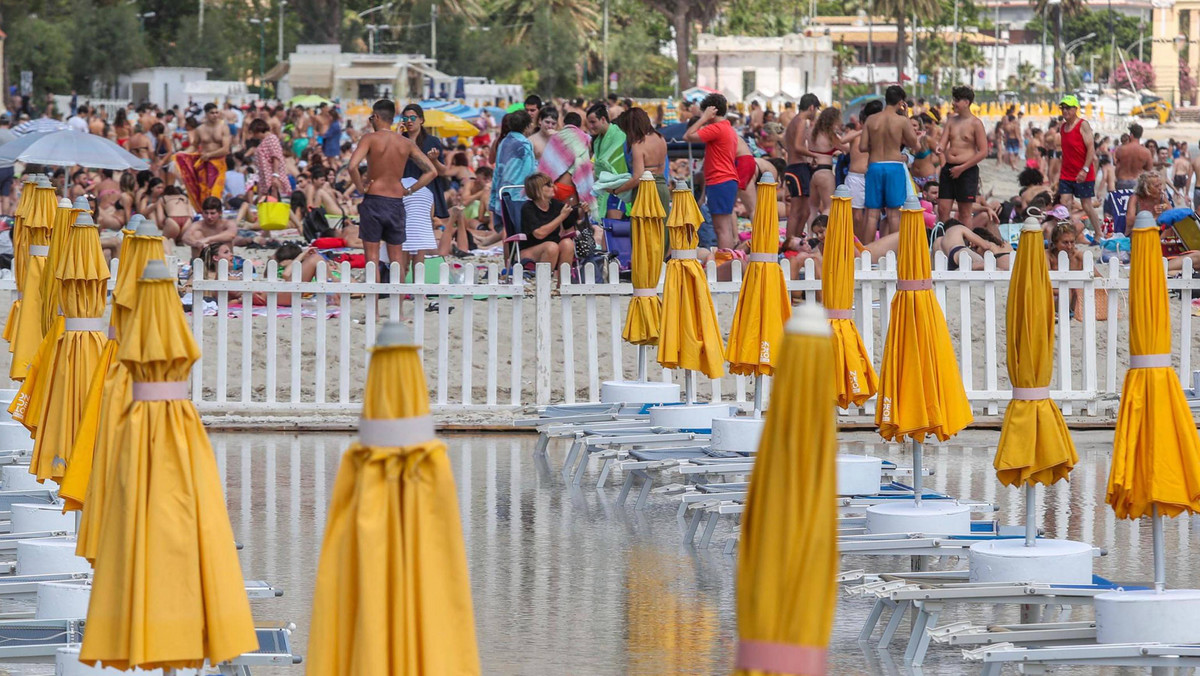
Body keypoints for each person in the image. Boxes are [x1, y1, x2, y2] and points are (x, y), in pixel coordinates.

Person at [347, 98, 435, 280]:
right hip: (396, 200)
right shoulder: (405, 143)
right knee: (397, 260)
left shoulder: (370, 139)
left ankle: (375, 309)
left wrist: (361, 188)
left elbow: (352, 166)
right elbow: (431, 171)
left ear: (377, 117)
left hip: (374, 199)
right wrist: (409, 190)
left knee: (372, 258)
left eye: (372, 118)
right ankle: (400, 308)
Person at [860, 85, 920, 240]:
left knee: (872, 214)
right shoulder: (901, 121)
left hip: (874, 166)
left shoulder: (871, 120)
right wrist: (906, 117)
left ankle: (867, 253)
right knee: (894, 214)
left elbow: (862, 147)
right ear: (901, 102)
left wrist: (877, 145)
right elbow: (915, 144)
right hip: (894, 166)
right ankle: (894, 252)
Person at [683, 93, 738, 250]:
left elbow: (688, 135)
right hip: (726, 180)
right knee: (724, 226)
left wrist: (704, 118)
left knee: (721, 229)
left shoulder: (717, 128)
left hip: (720, 180)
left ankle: (724, 259)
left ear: (711, 111)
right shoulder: (728, 128)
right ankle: (726, 259)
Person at [935, 85, 988, 227]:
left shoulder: (976, 123)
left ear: (966, 102)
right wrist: (939, 148)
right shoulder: (951, 121)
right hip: (949, 168)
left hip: (967, 170)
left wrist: (962, 168)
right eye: (953, 99)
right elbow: (943, 142)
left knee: (964, 212)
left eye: (957, 100)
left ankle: (965, 244)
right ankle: (944, 241)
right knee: (943, 209)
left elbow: (983, 151)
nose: (953, 103)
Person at [1056, 95, 1100, 236]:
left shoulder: (1083, 125)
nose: (1065, 111)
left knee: (1086, 205)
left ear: (1075, 109)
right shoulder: (1063, 128)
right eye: (1063, 108)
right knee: (1064, 203)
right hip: (1067, 173)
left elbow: (1091, 149)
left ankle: (1099, 233)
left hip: (1083, 172)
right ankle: (1067, 234)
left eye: (1068, 108)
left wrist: (1085, 169)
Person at [175, 102, 231, 212]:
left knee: (215, 192)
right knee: (203, 191)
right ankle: (205, 215)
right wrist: (183, 153)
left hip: (218, 164)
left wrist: (209, 155)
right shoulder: (200, 129)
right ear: (206, 114)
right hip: (204, 165)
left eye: (216, 112)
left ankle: (216, 213)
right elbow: (194, 146)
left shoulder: (223, 127)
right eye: (212, 113)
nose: (215, 115)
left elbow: (225, 149)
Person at [537, 111, 595, 212]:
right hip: (570, 187)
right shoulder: (585, 138)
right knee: (571, 224)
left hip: (552, 188)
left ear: (564, 123)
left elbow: (547, 163)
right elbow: (587, 163)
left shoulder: (556, 137)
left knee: (557, 222)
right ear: (580, 125)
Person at [519, 172, 577, 273]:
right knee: (551, 247)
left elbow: (569, 224)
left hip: (553, 247)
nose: (553, 187)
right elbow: (539, 234)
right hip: (530, 250)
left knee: (567, 244)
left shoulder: (555, 204)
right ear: (537, 190)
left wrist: (580, 211)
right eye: (548, 185)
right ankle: (544, 283)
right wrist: (562, 216)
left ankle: (562, 283)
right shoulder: (528, 208)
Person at [613, 108, 670, 209]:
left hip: (645, 191)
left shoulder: (638, 144)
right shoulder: (660, 138)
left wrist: (616, 191)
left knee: (643, 224)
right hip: (662, 187)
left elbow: (638, 177)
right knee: (661, 224)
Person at [490, 110, 538, 230]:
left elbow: (497, 170)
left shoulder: (504, 142)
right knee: (518, 232)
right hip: (519, 195)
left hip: (503, 191)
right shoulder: (525, 144)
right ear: (527, 126)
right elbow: (530, 171)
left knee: (507, 231)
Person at [783, 93, 820, 239]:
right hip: (797, 168)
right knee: (797, 210)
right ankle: (790, 241)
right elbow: (798, 146)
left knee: (804, 211)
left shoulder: (794, 121)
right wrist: (813, 155)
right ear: (811, 107)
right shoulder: (800, 121)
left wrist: (807, 157)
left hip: (797, 167)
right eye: (816, 109)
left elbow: (790, 146)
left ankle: (795, 239)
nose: (815, 113)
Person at [847, 100, 882, 242]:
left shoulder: (876, 136)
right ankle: (856, 242)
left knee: (870, 214)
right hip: (855, 177)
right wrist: (862, 130)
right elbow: (843, 140)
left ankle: (864, 244)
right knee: (856, 215)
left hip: (869, 176)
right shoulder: (855, 135)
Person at [806, 106, 846, 228]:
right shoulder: (830, 135)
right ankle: (825, 237)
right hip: (825, 171)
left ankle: (810, 237)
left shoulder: (811, 131)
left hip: (811, 171)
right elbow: (846, 148)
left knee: (812, 208)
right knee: (829, 207)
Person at [586, 103, 628, 221]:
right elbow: (599, 165)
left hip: (619, 187)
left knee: (612, 227)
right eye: (589, 123)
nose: (590, 126)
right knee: (605, 228)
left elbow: (605, 161)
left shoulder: (619, 135)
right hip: (605, 187)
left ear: (603, 119)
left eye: (593, 122)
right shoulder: (597, 140)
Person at [246, 118, 289, 198]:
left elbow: (276, 157)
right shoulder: (264, 140)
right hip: (265, 178)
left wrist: (275, 175)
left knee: (273, 201)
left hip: (272, 177)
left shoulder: (271, 139)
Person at [1113, 123, 1152, 191]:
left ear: (1131, 135)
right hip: (1137, 181)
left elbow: (1116, 164)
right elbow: (1149, 168)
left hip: (1122, 180)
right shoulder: (1146, 151)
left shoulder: (1121, 149)